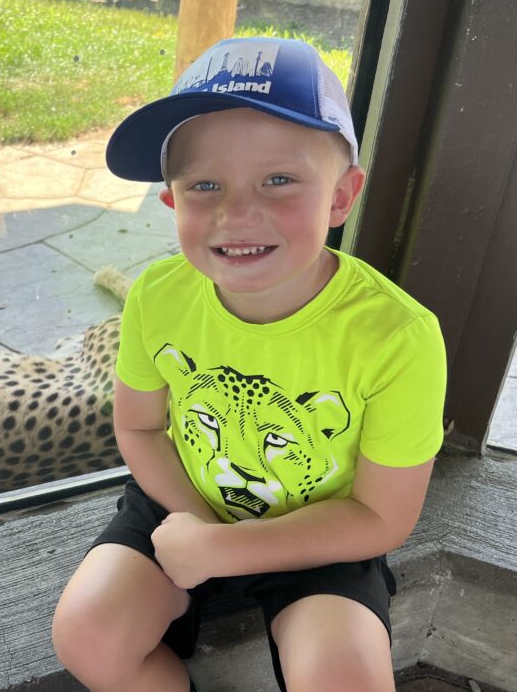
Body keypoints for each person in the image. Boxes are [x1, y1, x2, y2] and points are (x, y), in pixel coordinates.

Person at [51, 36, 447, 692]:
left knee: (347, 680)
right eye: (205, 184)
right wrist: (198, 526)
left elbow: (383, 517)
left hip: (322, 530)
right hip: (182, 503)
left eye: (279, 179)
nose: (237, 212)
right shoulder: (158, 295)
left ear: (343, 196)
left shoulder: (398, 337)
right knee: (86, 633)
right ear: (172, 201)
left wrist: (227, 550)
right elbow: (142, 428)